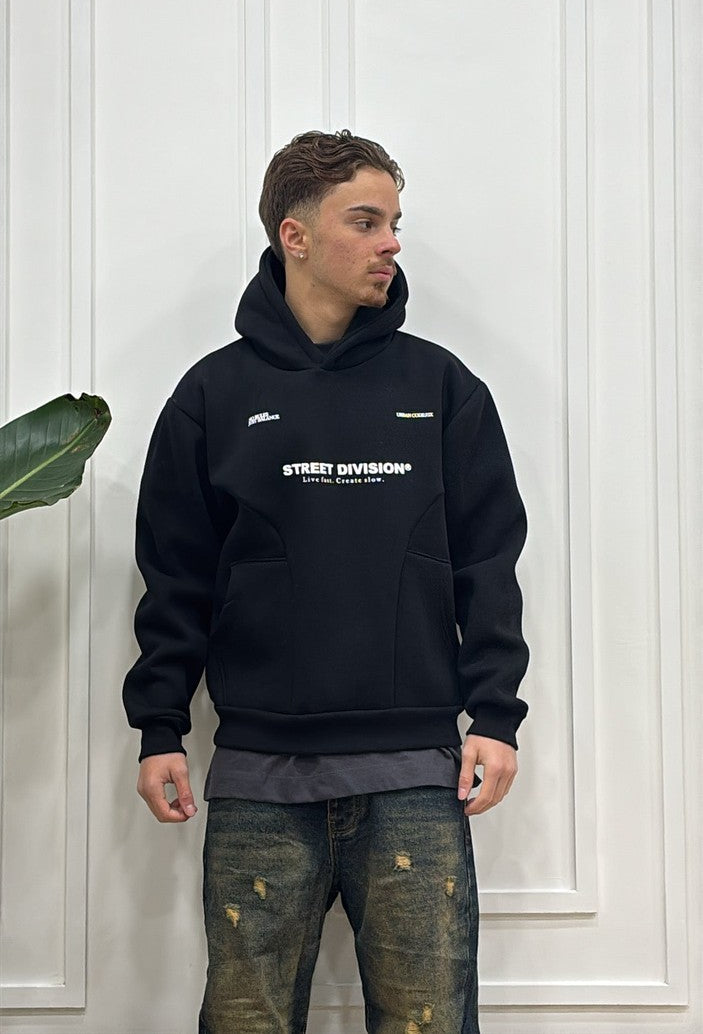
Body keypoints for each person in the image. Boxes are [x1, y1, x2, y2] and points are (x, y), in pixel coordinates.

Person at [123, 129, 530, 1034]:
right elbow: (175, 577)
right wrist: (159, 725)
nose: (392, 243)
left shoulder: (442, 387)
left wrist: (495, 715)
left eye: (394, 222)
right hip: (257, 779)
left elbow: (488, 561)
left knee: (428, 1023)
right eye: (366, 221)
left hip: (415, 778)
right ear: (294, 235)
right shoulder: (213, 395)